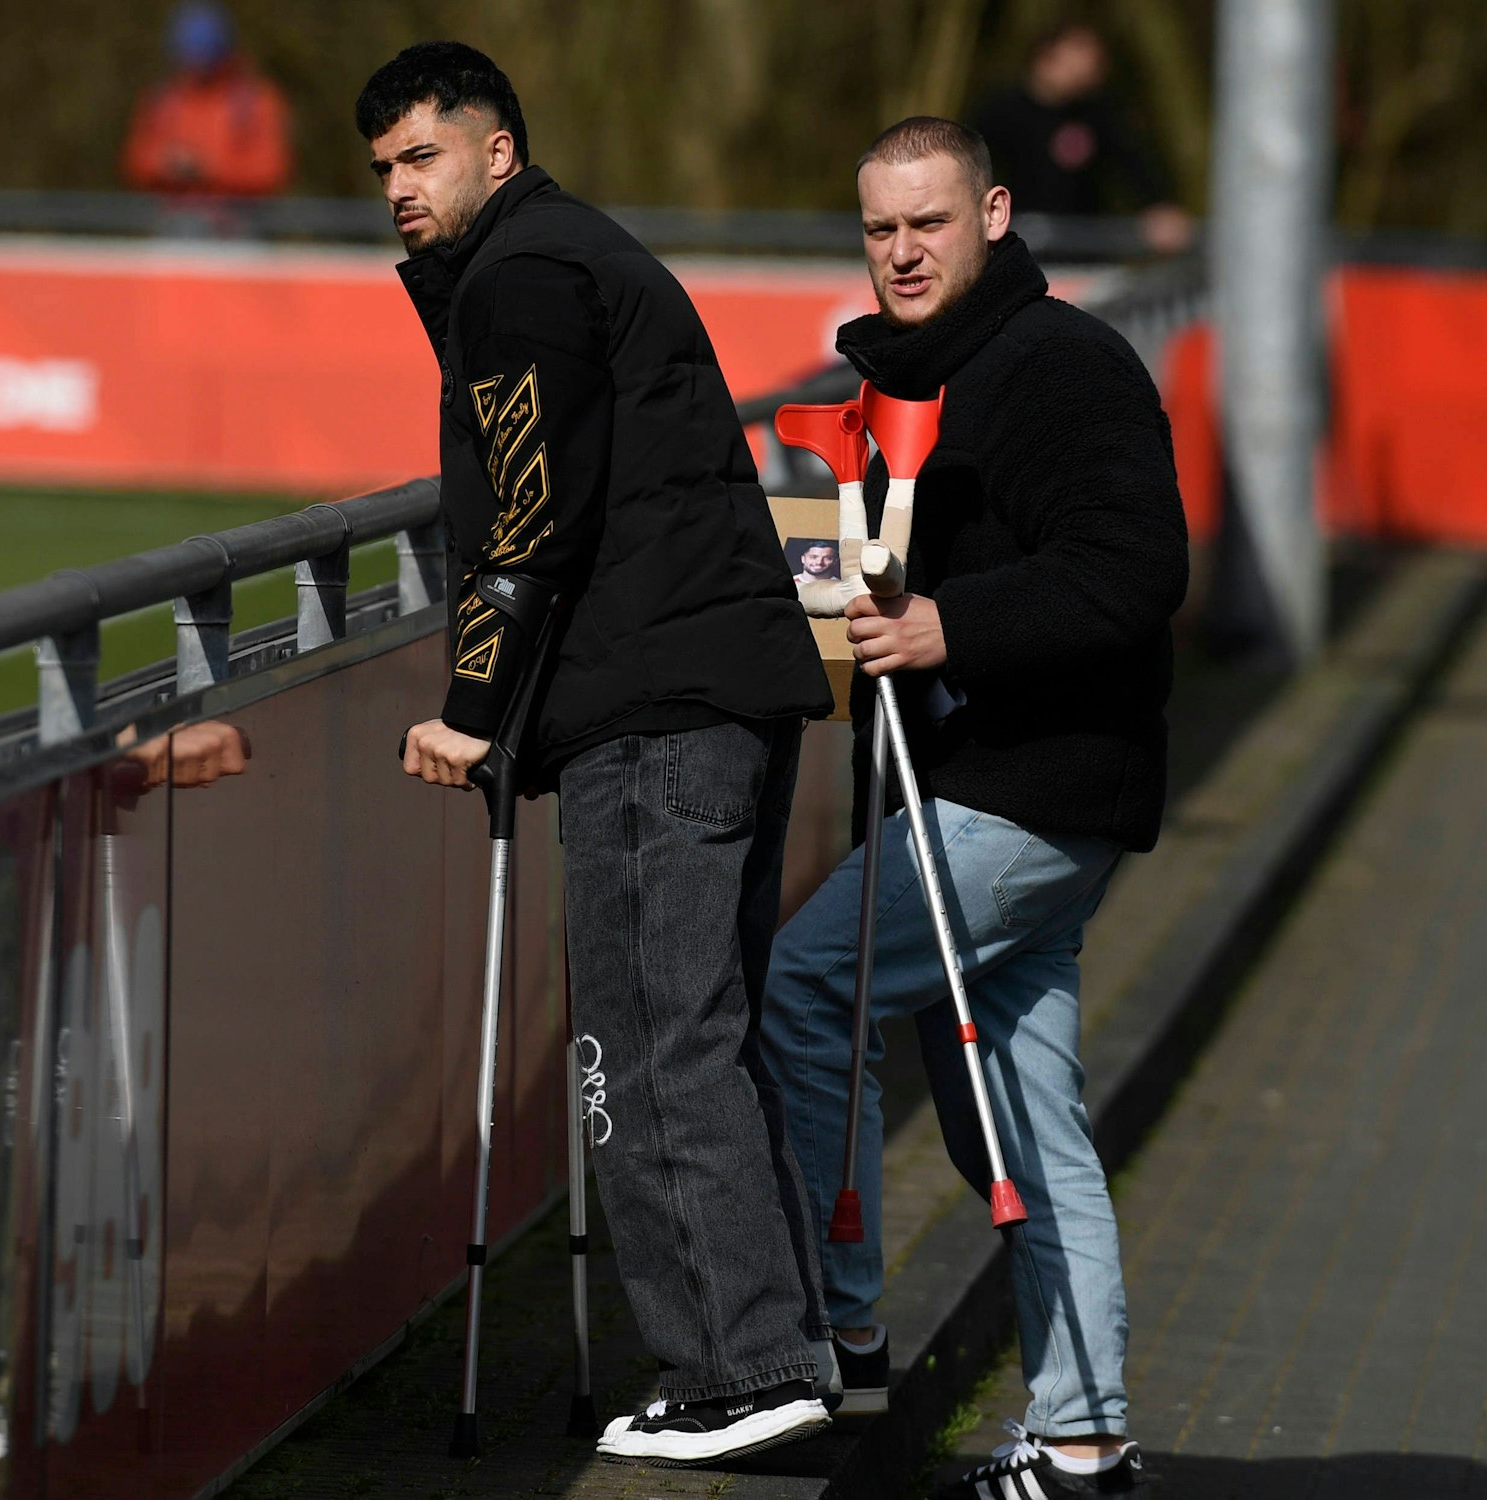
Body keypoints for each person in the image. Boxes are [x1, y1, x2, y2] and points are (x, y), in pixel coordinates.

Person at [359, 41, 839, 1468]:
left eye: (421, 157)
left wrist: (471, 710)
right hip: (709, 690)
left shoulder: (521, 280)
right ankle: (775, 1354)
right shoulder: (567, 255)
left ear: (496, 151)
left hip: (656, 708)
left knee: (645, 1041)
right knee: (702, 1032)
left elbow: (527, 517)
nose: (397, 187)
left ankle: (743, 1370)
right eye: (382, 167)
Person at [760, 116, 1187, 1498]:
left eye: (928, 224)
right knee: (1020, 1132)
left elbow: (1135, 572)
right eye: (880, 228)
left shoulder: (1061, 365)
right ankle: (1083, 1441)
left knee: (809, 987)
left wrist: (950, 626)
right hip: (1011, 793)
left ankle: (838, 1329)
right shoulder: (921, 377)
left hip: (1030, 795)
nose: (900, 251)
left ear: (996, 214)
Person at [969, 20, 1192, 255]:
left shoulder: (1100, 114)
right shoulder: (1001, 110)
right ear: (1048, 54)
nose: (1092, 62)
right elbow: (972, 169)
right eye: (1081, 50)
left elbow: (1135, 164)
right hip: (1018, 250)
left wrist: (1158, 207)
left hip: (1087, 251)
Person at [122, 1, 293, 198]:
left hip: (239, 220)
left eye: (205, 58)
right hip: (174, 219)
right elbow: (136, 162)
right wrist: (165, 165)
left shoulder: (255, 100)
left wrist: (207, 169)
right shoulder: (162, 98)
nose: (196, 68)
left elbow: (270, 171)